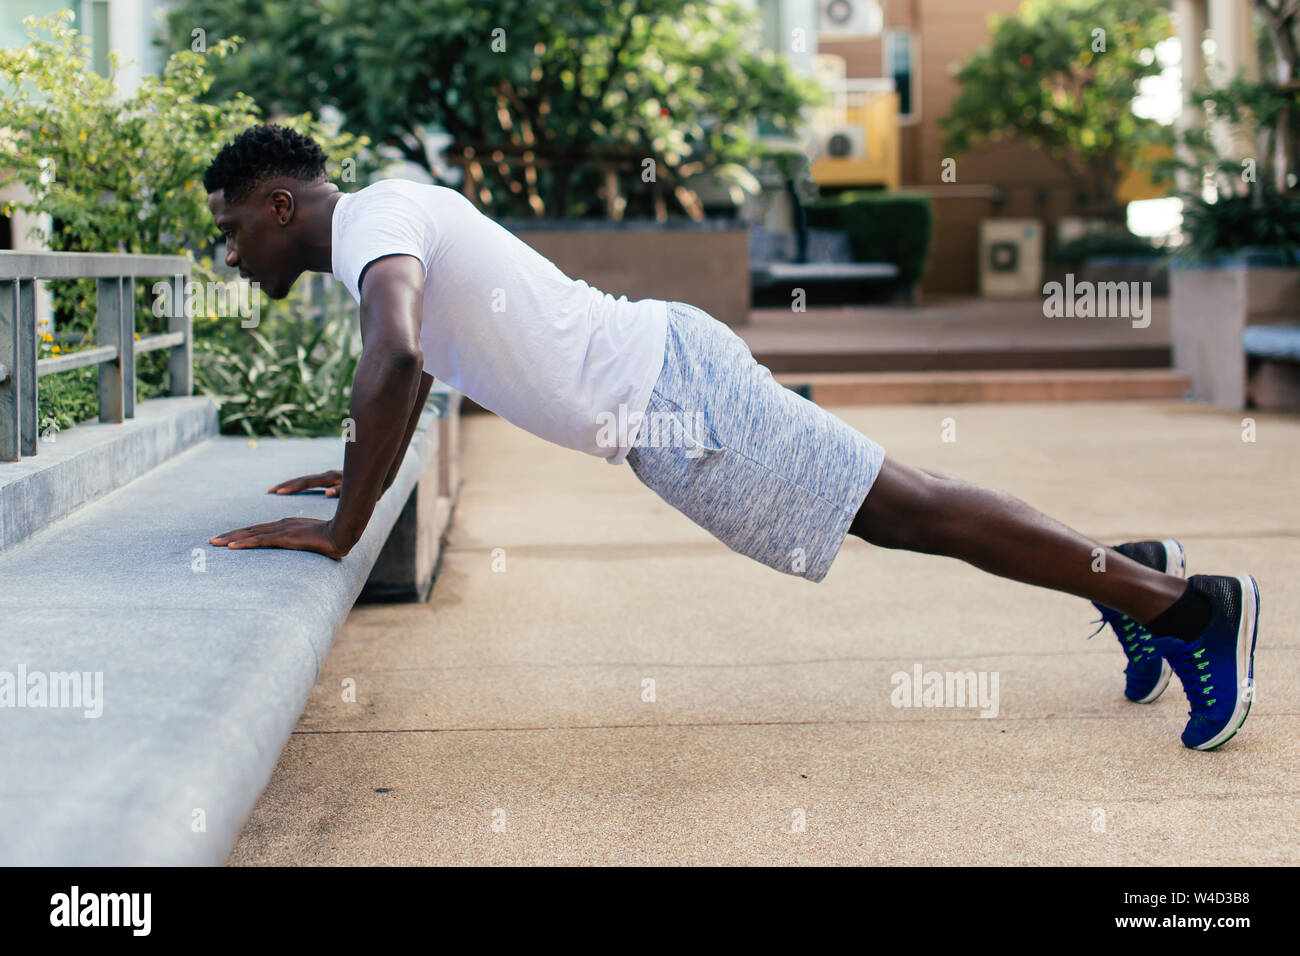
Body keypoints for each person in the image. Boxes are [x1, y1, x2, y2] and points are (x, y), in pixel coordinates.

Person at [205, 124, 1258, 752]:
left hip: (672, 395)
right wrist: (351, 468)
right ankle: (1130, 575)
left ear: (279, 201)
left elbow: (393, 354)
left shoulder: (371, 228)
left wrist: (343, 527)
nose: (230, 250)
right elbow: (423, 359)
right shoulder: (380, 219)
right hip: (664, 392)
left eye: (229, 227)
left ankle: (1185, 605)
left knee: (906, 509)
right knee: (899, 508)